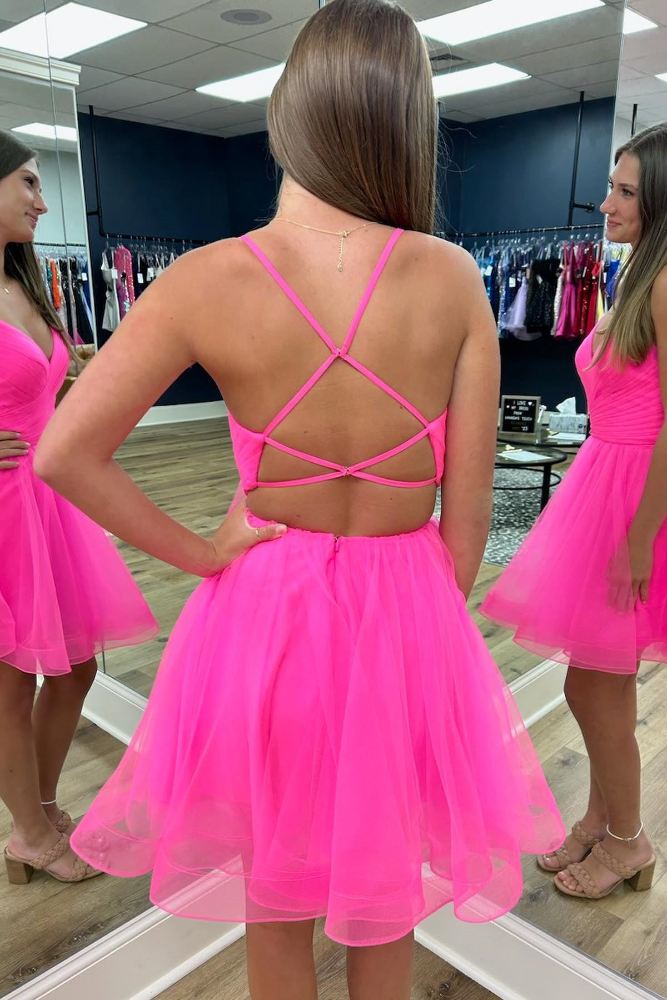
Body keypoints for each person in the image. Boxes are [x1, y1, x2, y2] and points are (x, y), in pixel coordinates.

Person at [36, 2, 563, 997]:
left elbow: (64, 453)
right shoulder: (452, 279)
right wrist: (415, 622)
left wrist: (202, 554)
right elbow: (464, 527)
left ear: (287, 112)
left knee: (273, 896)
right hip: (406, 612)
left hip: (264, 610)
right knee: (385, 889)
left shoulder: (205, 279)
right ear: (408, 121)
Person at [481, 123, 667, 900]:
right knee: (598, 686)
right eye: (610, 187)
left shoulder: (664, 282)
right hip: (606, 484)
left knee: (593, 688)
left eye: (624, 191)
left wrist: (640, 538)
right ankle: (600, 821)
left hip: (634, 502)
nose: (605, 204)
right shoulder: (638, 277)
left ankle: (627, 841)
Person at [0, 129, 158, 886]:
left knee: (74, 668)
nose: (43, 200)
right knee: (10, 681)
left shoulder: (26, 284)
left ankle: (36, 806)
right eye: (28, 182)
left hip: (49, 501)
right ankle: (30, 834)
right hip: (5, 508)